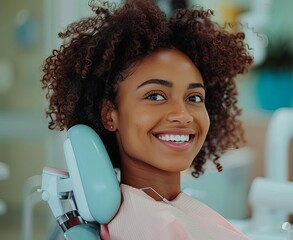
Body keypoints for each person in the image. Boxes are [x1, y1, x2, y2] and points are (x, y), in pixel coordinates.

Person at [40, 0, 253, 239]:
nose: (182, 115)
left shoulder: (163, 211)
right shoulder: (153, 227)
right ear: (110, 114)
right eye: (155, 95)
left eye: (194, 98)